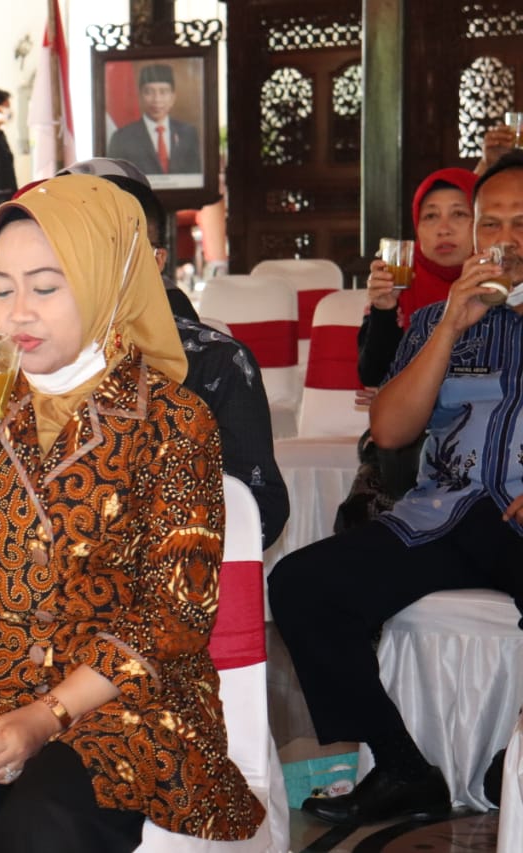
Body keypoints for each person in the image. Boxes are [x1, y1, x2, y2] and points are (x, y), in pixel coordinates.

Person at [0, 174, 263, 851]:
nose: (18, 313)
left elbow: (173, 616)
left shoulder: (173, 419)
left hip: (129, 703)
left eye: (45, 287)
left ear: (102, 281)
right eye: (2, 289)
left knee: (43, 829)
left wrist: (46, 716)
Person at [0, 165, 288, 755]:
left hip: (149, 596)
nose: (23, 304)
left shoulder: (211, 363)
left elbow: (262, 509)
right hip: (18, 597)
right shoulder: (15, 360)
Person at [269, 151, 523, 826]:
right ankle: (402, 767)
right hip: (443, 515)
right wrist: (450, 326)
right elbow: (389, 430)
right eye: (491, 222)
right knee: (300, 584)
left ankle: (515, 757)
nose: (505, 238)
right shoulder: (438, 319)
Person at [357, 167, 478, 387]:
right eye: (431, 216)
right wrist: (384, 308)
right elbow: (374, 378)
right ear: (417, 227)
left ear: (482, 222)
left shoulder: (500, 281)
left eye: (459, 214)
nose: (443, 229)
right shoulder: (399, 281)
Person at [107, 65, 202, 176]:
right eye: (149, 92)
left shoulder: (188, 133)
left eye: (163, 92)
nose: (157, 99)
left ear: (173, 97)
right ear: (140, 96)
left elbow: (196, 175)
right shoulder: (122, 138)